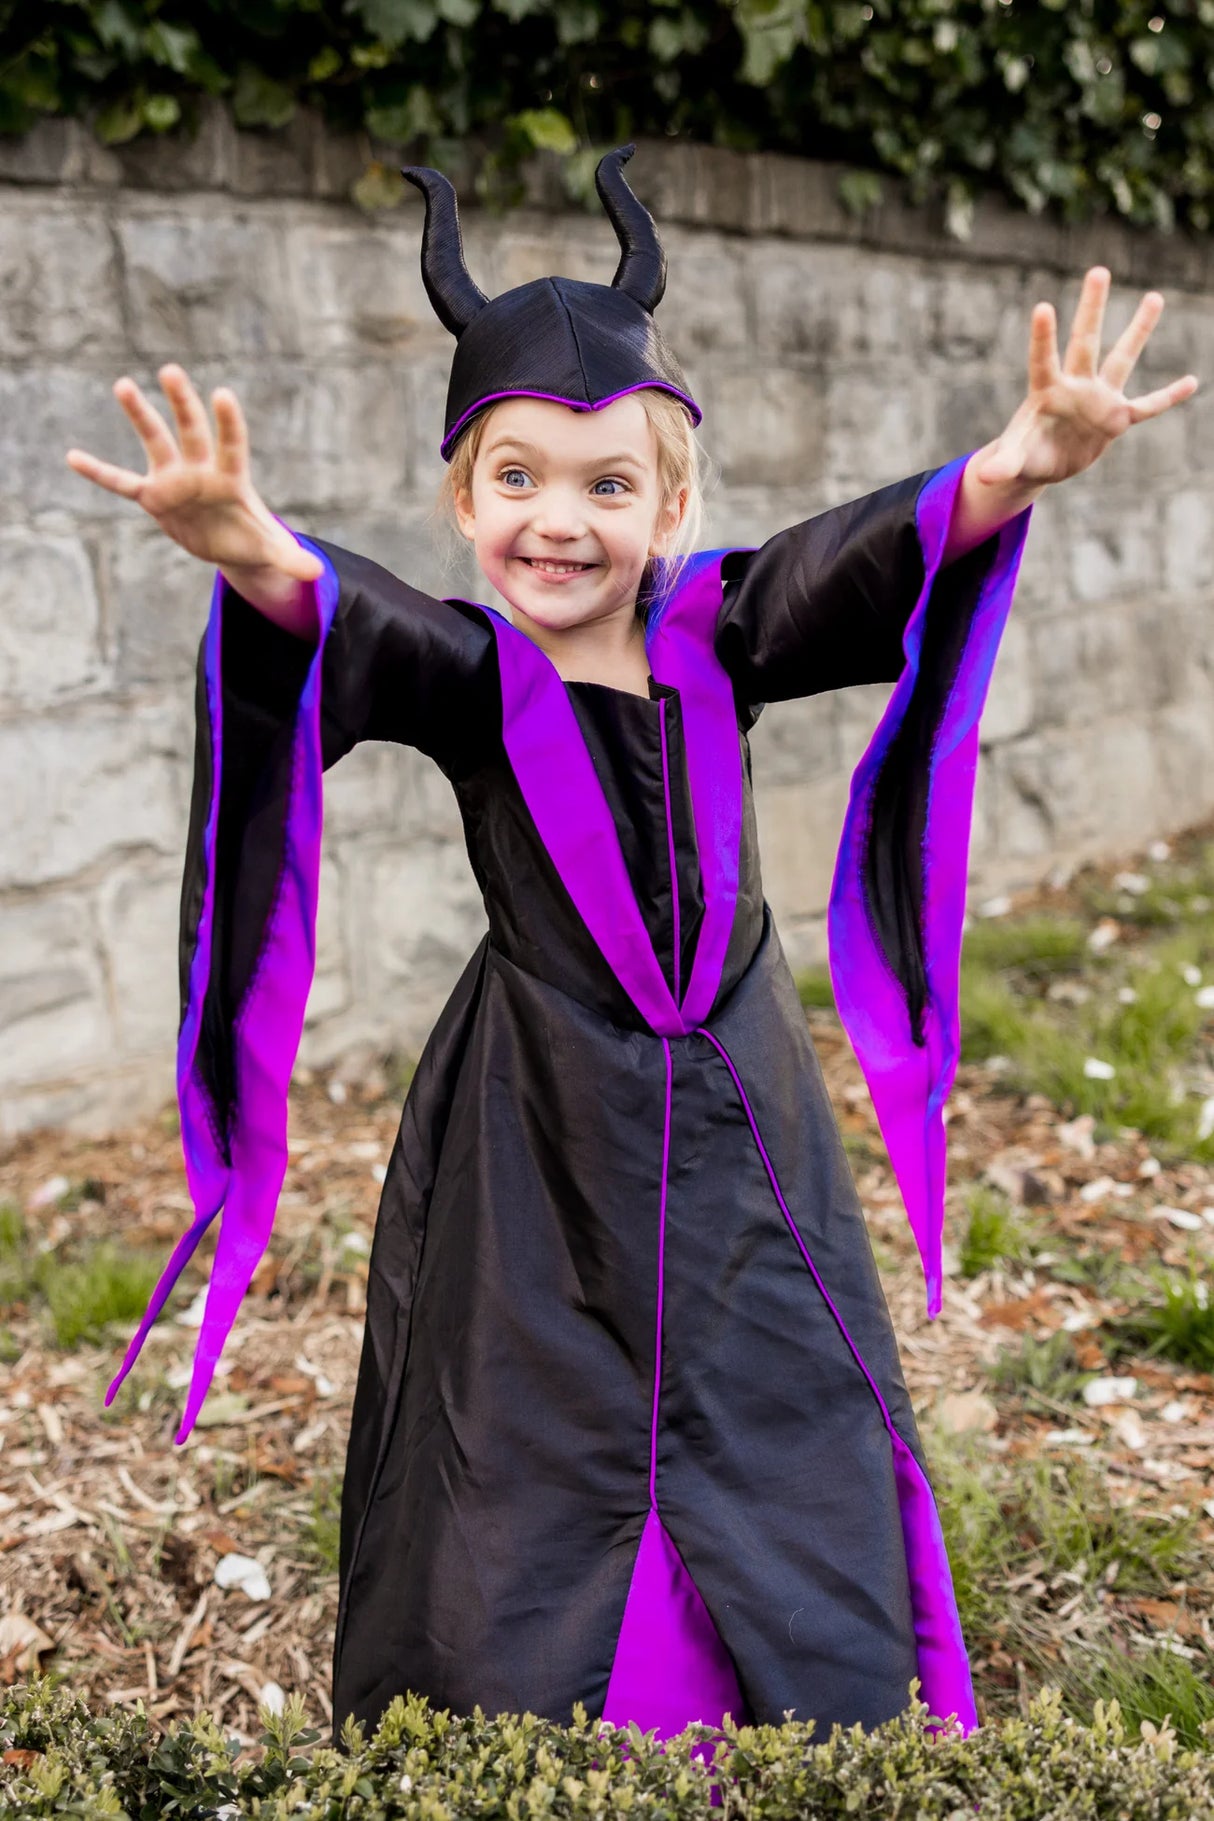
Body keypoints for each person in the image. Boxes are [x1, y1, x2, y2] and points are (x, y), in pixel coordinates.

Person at [66, 146, 1196, 1743]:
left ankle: (804, 1708)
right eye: (517, 478)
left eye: (608, 485)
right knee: (528, 1414)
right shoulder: (476, 676)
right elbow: (359, 622)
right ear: (465, 501)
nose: (559, 520)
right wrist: (254, 549)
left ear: (670, 505)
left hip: (741, 1105)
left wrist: (1015, 461)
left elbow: (852, 559)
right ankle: (524, 1726)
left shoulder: (719, 630)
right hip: (536, 1118)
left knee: (774, 1376)